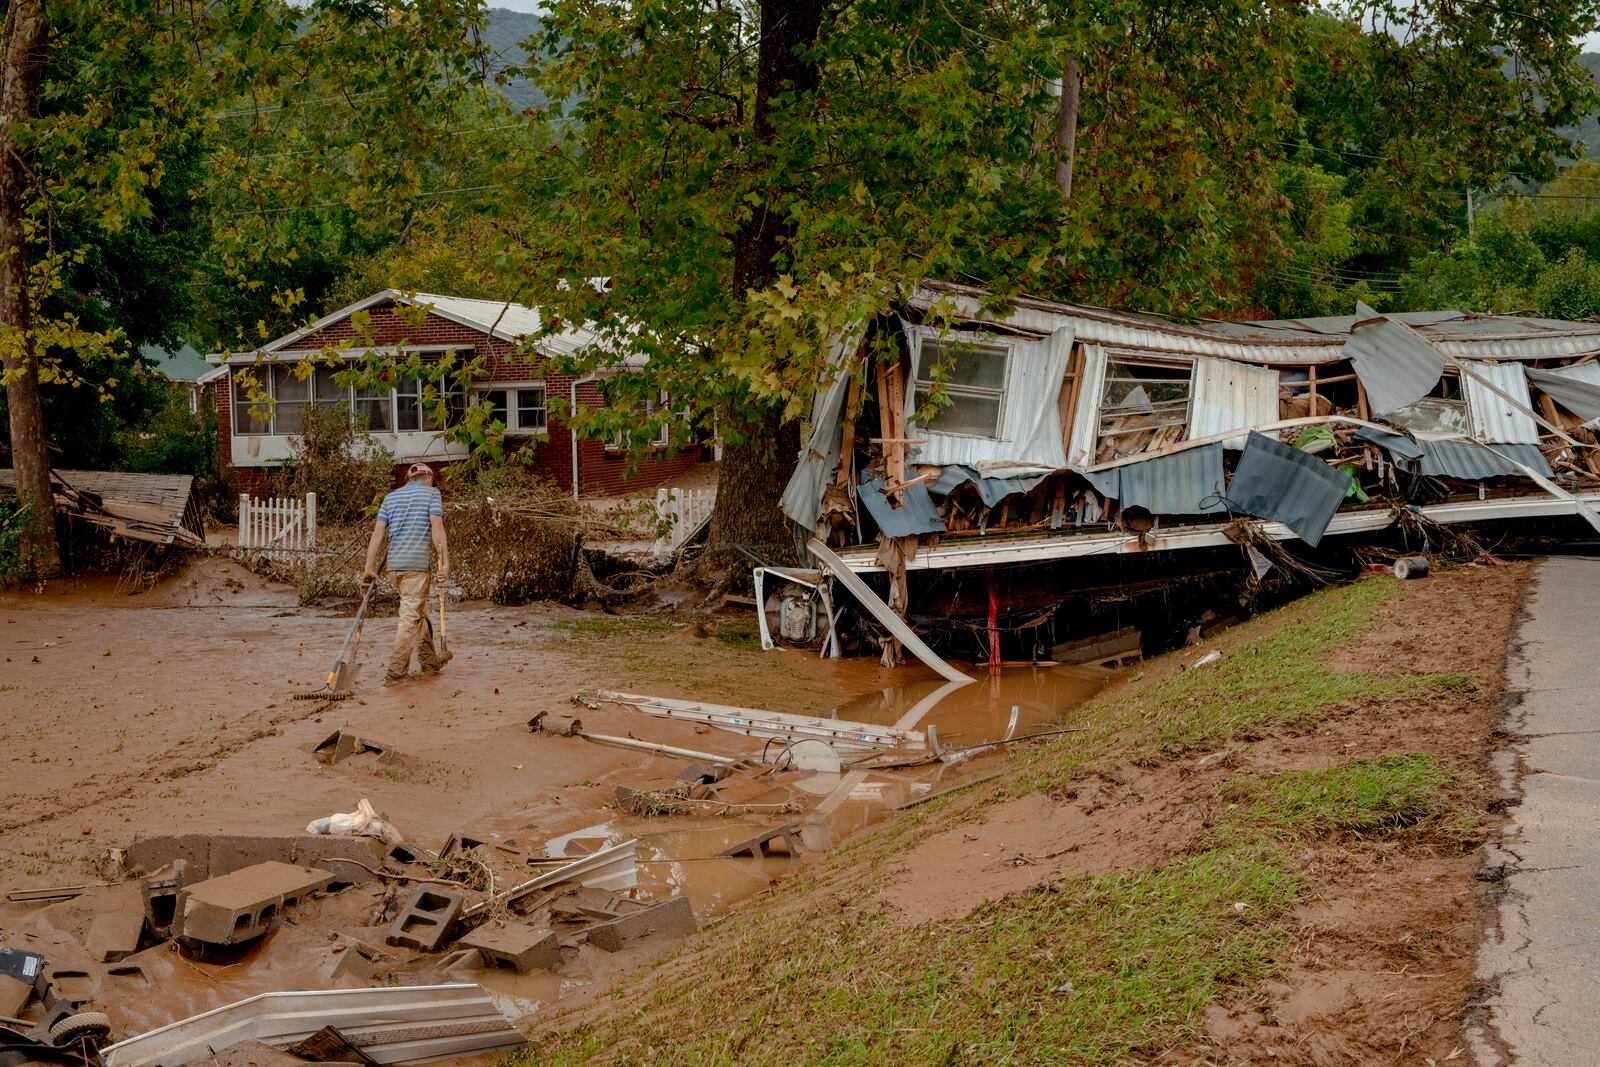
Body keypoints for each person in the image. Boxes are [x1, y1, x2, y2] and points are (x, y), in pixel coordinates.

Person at [363, 462, 450, 682]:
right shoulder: (432, 494)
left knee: (419, 613)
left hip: (395, 568)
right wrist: (445, 563)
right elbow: (437, 528)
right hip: (416, 566)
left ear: (408, 480)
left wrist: (369, 567)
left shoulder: (391, 498)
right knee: (410, 617)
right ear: (429, 479)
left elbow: (377, 534)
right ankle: (396, 673)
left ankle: (430, 664)